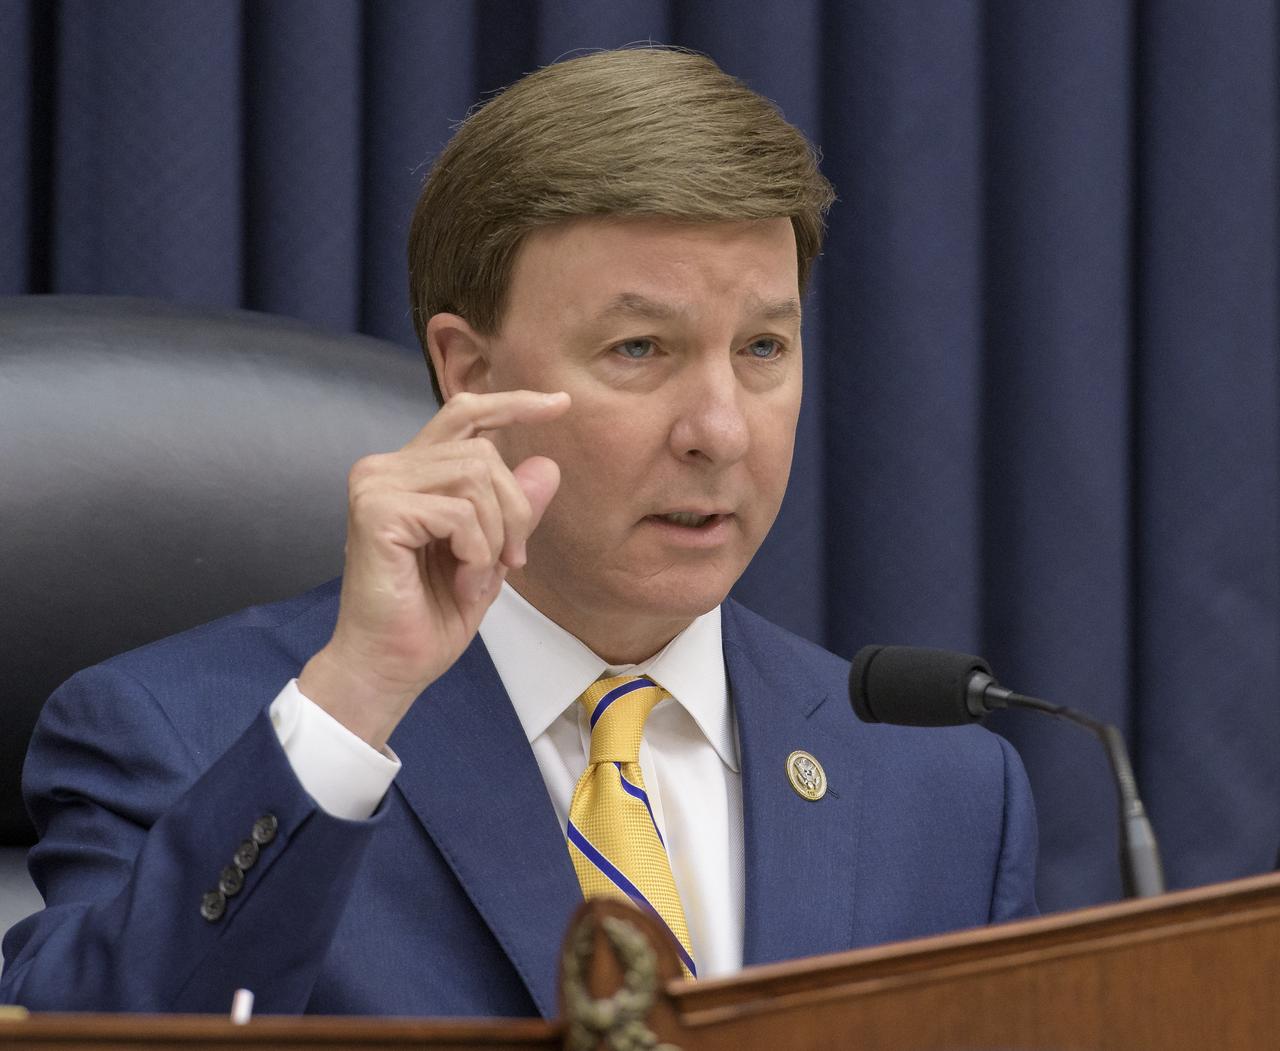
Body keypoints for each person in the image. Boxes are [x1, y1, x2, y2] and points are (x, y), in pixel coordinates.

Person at [0, 47, 1036, 1016]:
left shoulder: (940, 791)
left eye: (762, 346)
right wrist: (356, 701)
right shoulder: (182, 735)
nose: (719, 429)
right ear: (471, 373)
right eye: (639, 348)